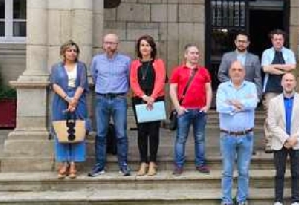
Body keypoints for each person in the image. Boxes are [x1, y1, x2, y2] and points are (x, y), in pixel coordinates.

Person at [215, 60, 259, 205]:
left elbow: (253, 103)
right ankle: (226, 202)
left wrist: (233, 104)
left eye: (240, 69)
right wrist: (241, 106)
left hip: (246, 136)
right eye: (233, 69)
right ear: (229, 72)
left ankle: (242, 201)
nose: (237, 72)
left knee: (243, 171)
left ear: (244, 72)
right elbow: (220, 107)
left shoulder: (251, 87)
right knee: (227, 171)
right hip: (227, 136)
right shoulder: (222, 87)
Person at [89, 33, 132, 177]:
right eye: (106, 42)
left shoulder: (126, 61)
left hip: (119, 99)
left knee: (121, 133)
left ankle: (123, 165)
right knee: (101, 134)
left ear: (117, 45)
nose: (109, 45)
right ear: (103, 44)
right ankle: (99, 166)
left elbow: (129, 78)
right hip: (101, 98)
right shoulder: (96, 60)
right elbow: (95, 77)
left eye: (112, 43)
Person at [267, 73, 299, 205]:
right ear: (281, 83)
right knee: (279, 173)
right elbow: (271, 124)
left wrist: (294, 139)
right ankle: (278, 202)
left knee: (296, 173)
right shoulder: (274, 102)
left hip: (297, 143)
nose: (289, 83)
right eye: (286, 80)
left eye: (291, 80)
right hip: (280, 143)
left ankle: (295, 202)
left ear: (295, 83)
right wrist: (285, 138)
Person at [170, 44, 212, 175]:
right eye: (192, 53)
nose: (195, 56)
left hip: (200, 110)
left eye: (197, 53)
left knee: (200, 139)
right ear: (185, 55)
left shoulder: (204, 71)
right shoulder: (178, 70)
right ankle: (178, 166)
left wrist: (207, 106)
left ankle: (200, 164)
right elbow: (172, 89)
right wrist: (178, 107)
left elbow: (208, 89)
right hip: (185, 110)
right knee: (181, 139)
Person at [50, 40, 89, 179]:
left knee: (77, 131)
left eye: (74, 50)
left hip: (79, 101)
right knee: (61, 131)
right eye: (69, 50)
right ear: (63, 53)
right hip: (61, 101)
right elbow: (54, 85)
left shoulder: (82, 66)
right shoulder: (56, 67)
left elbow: (82, 84)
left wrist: (74, 101)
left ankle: (73, 163)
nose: (72, 53)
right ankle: (64, 163)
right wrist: (68, 99)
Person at [129, 35, 166, 177]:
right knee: (141, 132)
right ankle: (143, 162)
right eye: (142, 45)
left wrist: (152, 97)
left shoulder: (158, 62)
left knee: (154, 132)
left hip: (156, 99)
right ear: (139, 48)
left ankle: (152, 162)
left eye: (147, 45)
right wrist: (144, 96)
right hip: (139, 99)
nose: (145, 48)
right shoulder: (134, 64)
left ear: (152, 48)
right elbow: (133, 82)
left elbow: (160, 80)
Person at [261, 29, 296, 153]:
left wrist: (274, 66)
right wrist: (283, 71)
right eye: (275, 39)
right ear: (272, 40)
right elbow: (265, 68)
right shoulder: (266, 53)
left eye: (280, 39)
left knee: (286, 114)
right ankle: (269, 142)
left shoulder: (289, 52)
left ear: (283, 40)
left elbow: (292, 66)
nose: (278, 41)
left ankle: (284, 140)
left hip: (286, 87)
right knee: (270, 116)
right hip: (271, 88)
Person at [217, 32, 262, 99]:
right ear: (235, 42)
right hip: (230, 92)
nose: (241, 44)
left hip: (248, 94)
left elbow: (257, 78)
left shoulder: (254, 59)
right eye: (239, 41)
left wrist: (258, 96)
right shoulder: (227, 57)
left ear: (248, 43)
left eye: (244, 42)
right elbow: (221, 75)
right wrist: (233, 84)